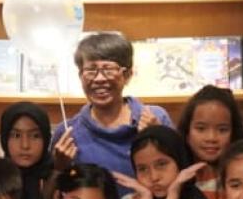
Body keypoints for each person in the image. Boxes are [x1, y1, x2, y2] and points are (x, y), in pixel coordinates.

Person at [50, 32, 173, 179]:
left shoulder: (155, 118)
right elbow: (49, 198)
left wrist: (158, 139)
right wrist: (59, 167)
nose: (99, 78)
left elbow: (179, 177)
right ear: (80, 76)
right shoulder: (67, 132)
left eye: (108, 70)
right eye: (91, 70)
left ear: (127, 75)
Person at [178, 86, 243, 199]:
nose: (211, 138)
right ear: (187, 131)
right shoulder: (174, 175)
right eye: (201, 129)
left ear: (234, 133)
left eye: (222, 130)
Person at [1, 101, 54, 199]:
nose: (25, 145)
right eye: (16, 135)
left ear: (46, 138)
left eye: (35, 136)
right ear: (4, 138)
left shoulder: (58, 177)